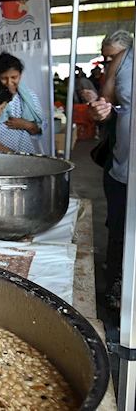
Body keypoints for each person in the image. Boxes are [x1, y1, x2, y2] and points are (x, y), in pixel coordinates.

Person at [89, 29, 133, 311]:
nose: (107, 61)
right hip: (122, 170)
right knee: (119, 230)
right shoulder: (123, 60)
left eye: (109, 57)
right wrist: (99, 110)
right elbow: (103, 103)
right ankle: (116, 286)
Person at [0, 53, 46, 154]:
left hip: (25, 154)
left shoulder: (29, 96)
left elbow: (40, 129)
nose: (9, 82)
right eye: (4, 78)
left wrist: (27, 125)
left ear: (20, 75)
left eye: (14, 77)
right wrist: (10, 154)